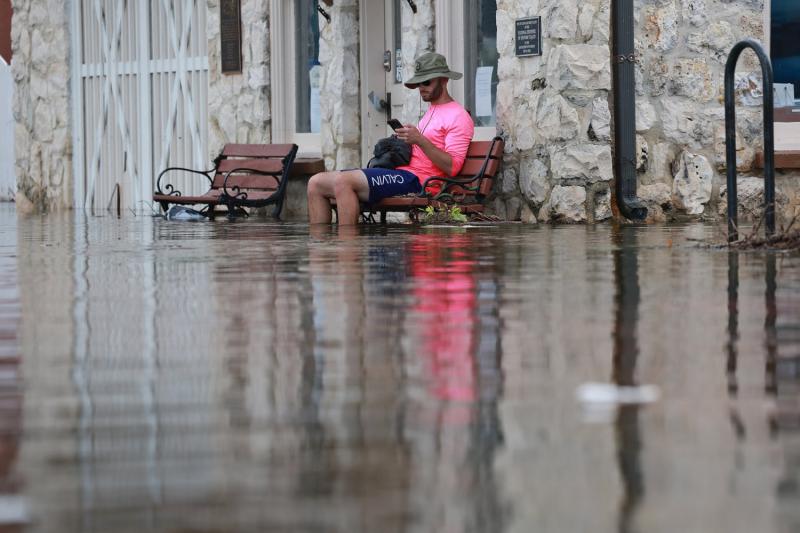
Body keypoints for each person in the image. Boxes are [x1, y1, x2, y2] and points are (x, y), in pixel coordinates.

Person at [307, 52, 475, 225]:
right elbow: (424, 150)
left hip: (420, 182)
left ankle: (349, 248)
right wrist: (404, 140)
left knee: (344, 182)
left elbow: (452, 167)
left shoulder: (458, 116)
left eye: (426, 82)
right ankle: (322, 249)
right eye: (418, 83)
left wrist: (420, 140)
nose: (421, 88)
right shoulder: (431, 111)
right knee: (316, 183)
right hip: (401, 173)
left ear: (444, 80)